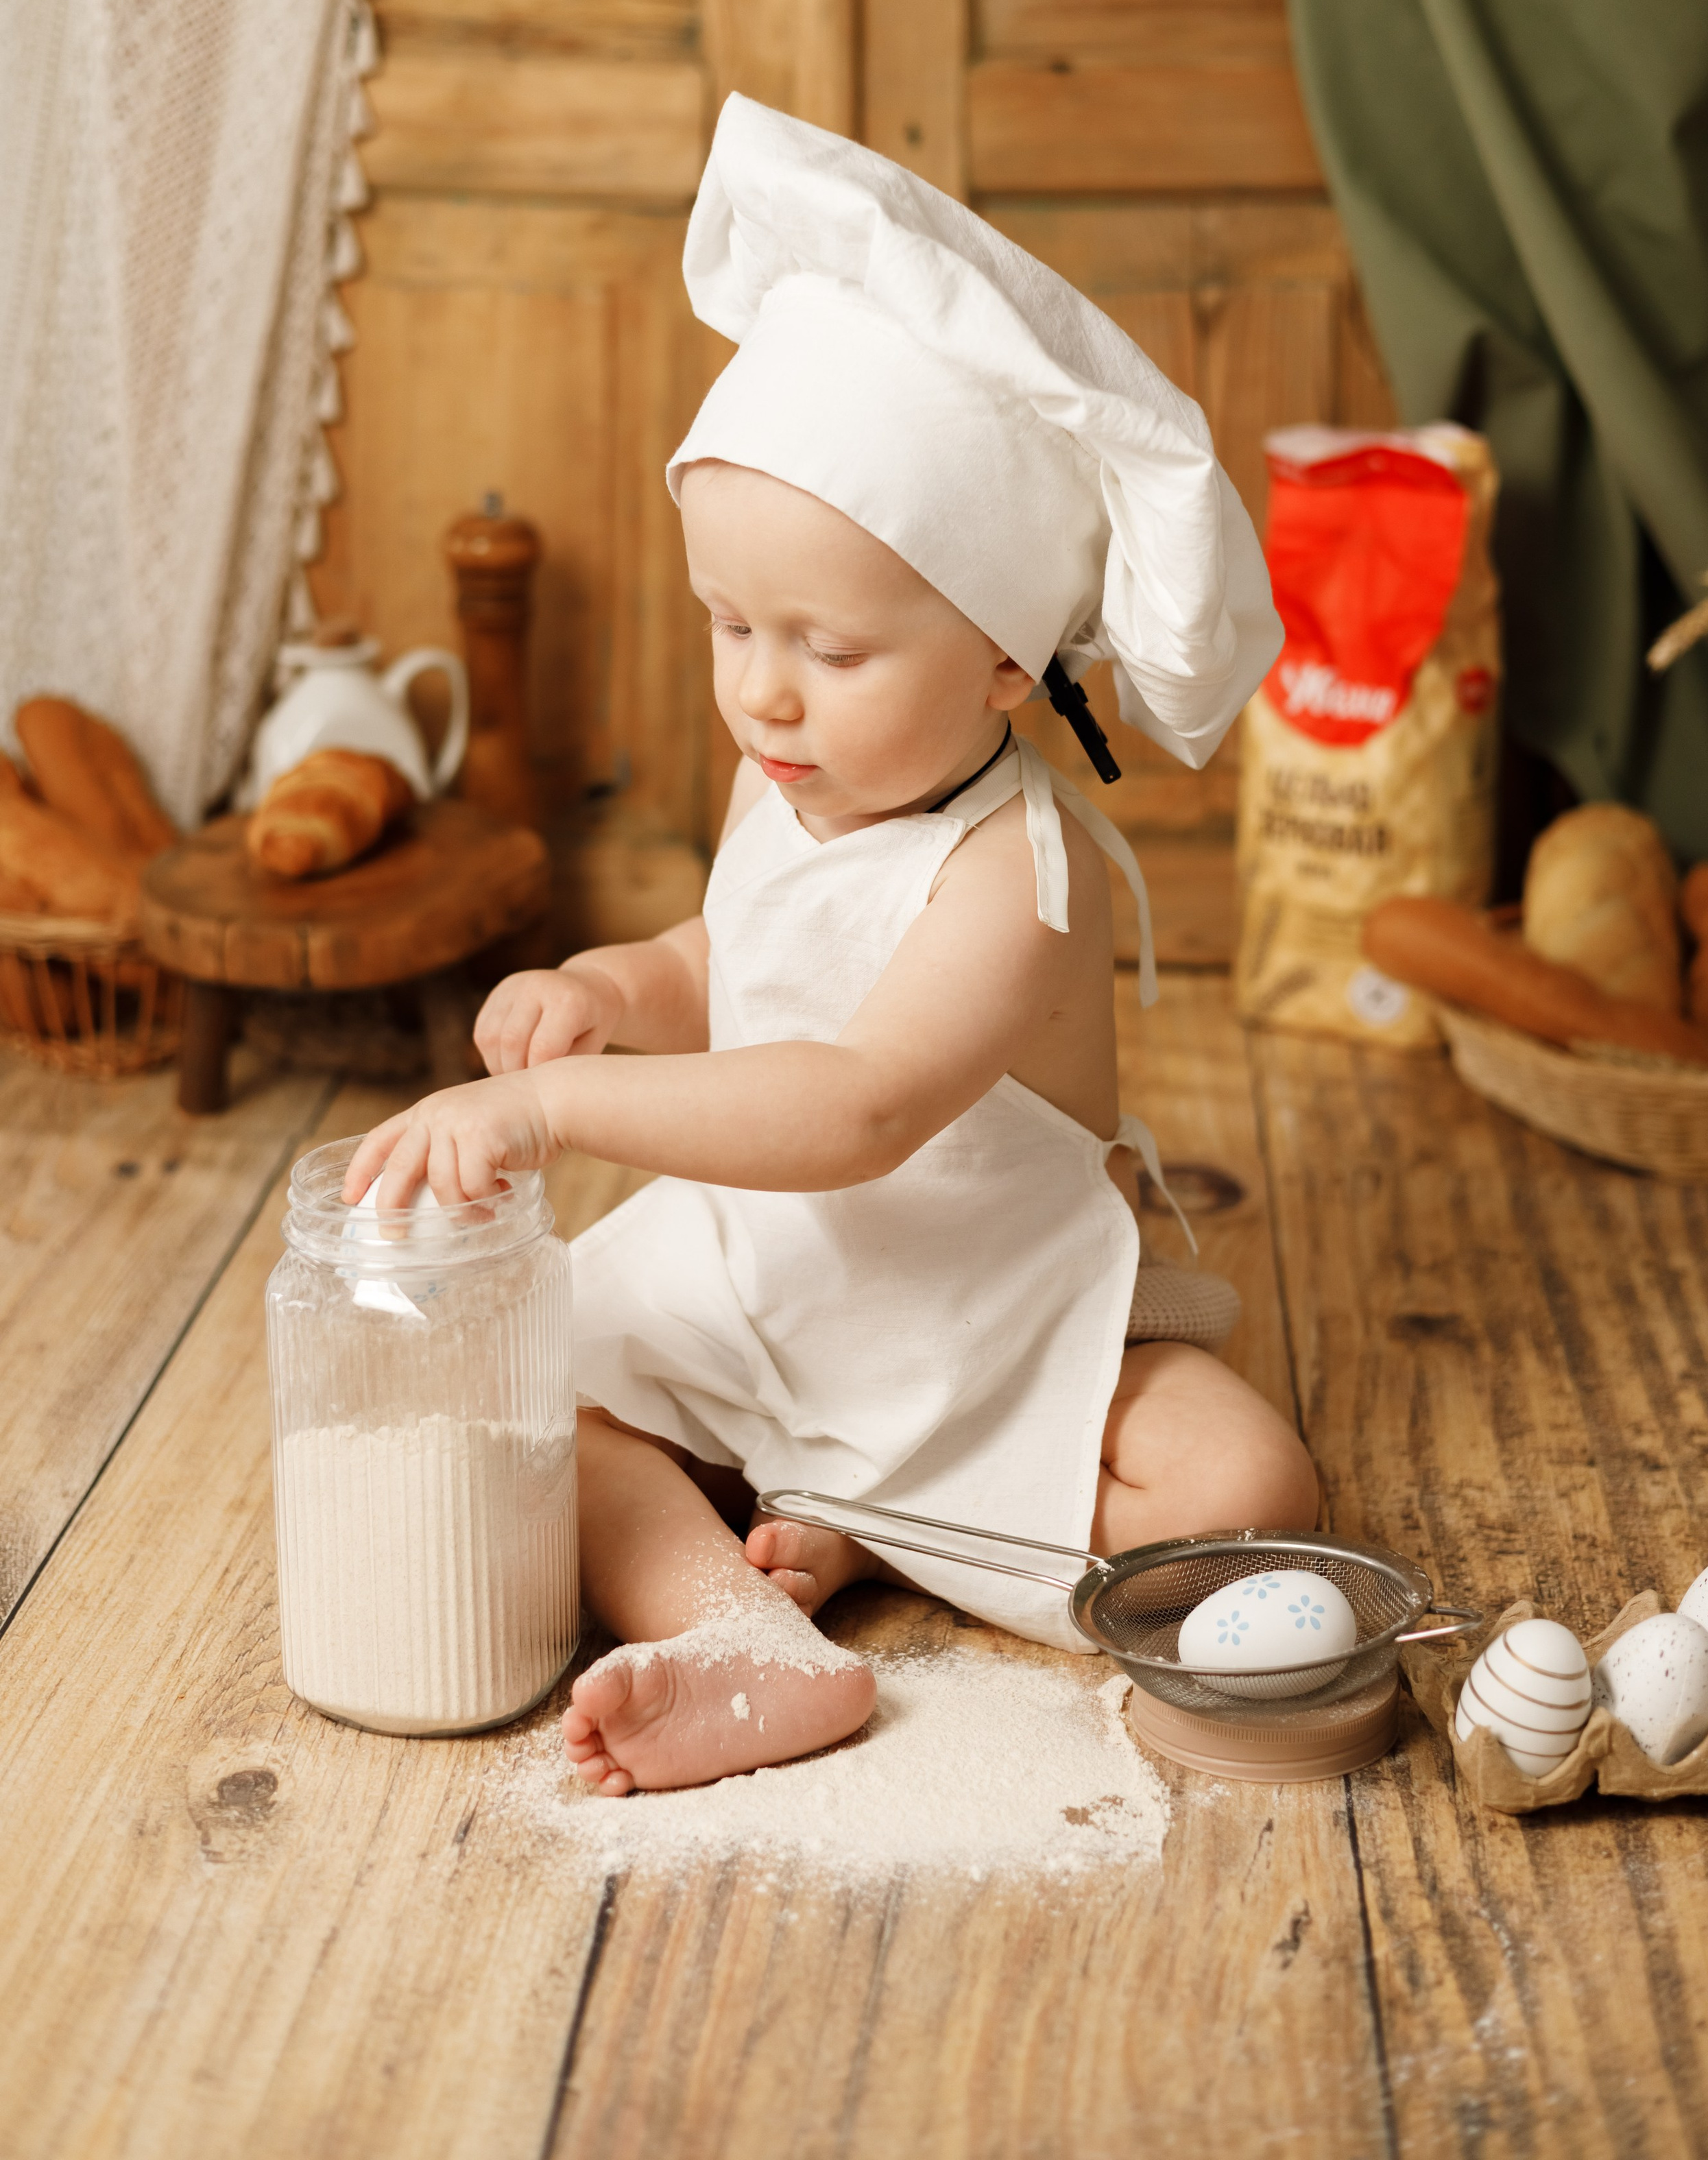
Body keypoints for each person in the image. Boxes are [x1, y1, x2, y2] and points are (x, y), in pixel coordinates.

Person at [344, 97, 1317, 1796]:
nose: (761, 691)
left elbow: (859, 1104)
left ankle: (863, 1515)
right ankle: (736, 1627)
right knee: (523, 1407)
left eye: (828, 648)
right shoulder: (784, 775)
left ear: (1006, 662)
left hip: (964, 1312)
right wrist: (615, 990)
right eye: (732, 625)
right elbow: (735, 953)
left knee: (1249, 1493)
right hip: (765, 1281)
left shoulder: (1013, 871)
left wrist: (567, 1113)